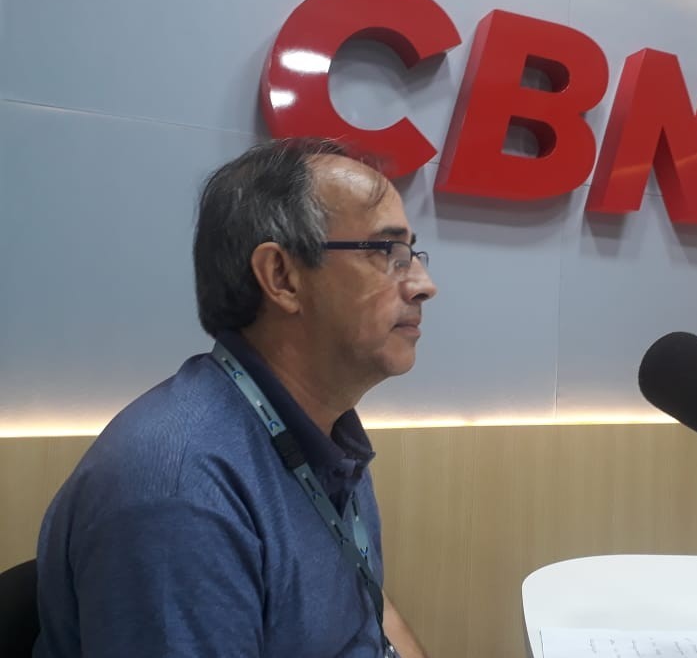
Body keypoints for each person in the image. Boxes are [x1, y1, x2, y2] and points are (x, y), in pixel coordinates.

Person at [34, 138, 437, 658]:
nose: (424, 284)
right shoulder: (180, 493)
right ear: (282, 277)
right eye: (387, 253)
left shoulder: (328, 433)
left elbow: (371, 611)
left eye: (412, 254)